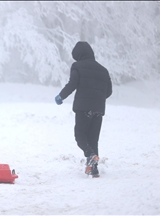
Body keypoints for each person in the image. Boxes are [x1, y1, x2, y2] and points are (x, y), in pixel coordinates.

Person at [55, 41, 112, 178]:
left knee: (80, 136)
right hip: (98, 109)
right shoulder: (103, 70)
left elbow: (73, 83)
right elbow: (109, 91)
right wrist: (97, 98)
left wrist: (61, 96)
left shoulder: (77, 66)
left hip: (83, 108)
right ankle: (94, 169)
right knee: (93, 139)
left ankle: (90, 155)